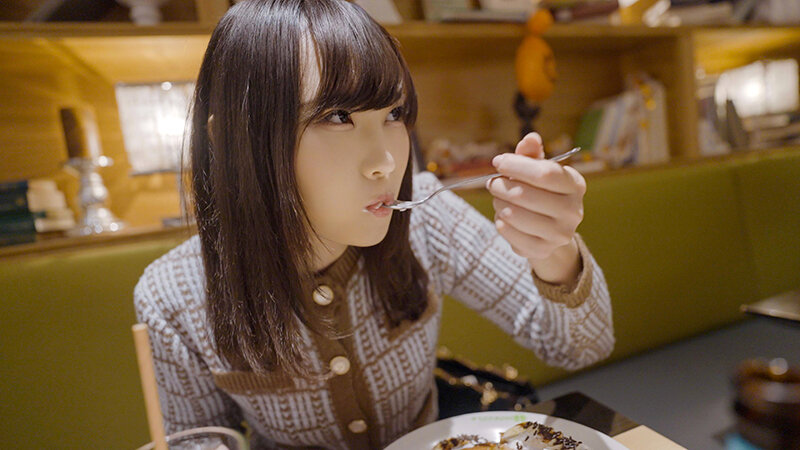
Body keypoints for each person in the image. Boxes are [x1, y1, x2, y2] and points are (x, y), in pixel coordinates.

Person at [133, 0, 614, 448]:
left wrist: (555, 250)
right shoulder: (174, 297)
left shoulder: (428, 218)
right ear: (232, 141)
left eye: (394, 113)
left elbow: (581, 348)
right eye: (338, 116)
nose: (386, 161)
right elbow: (197, 437)